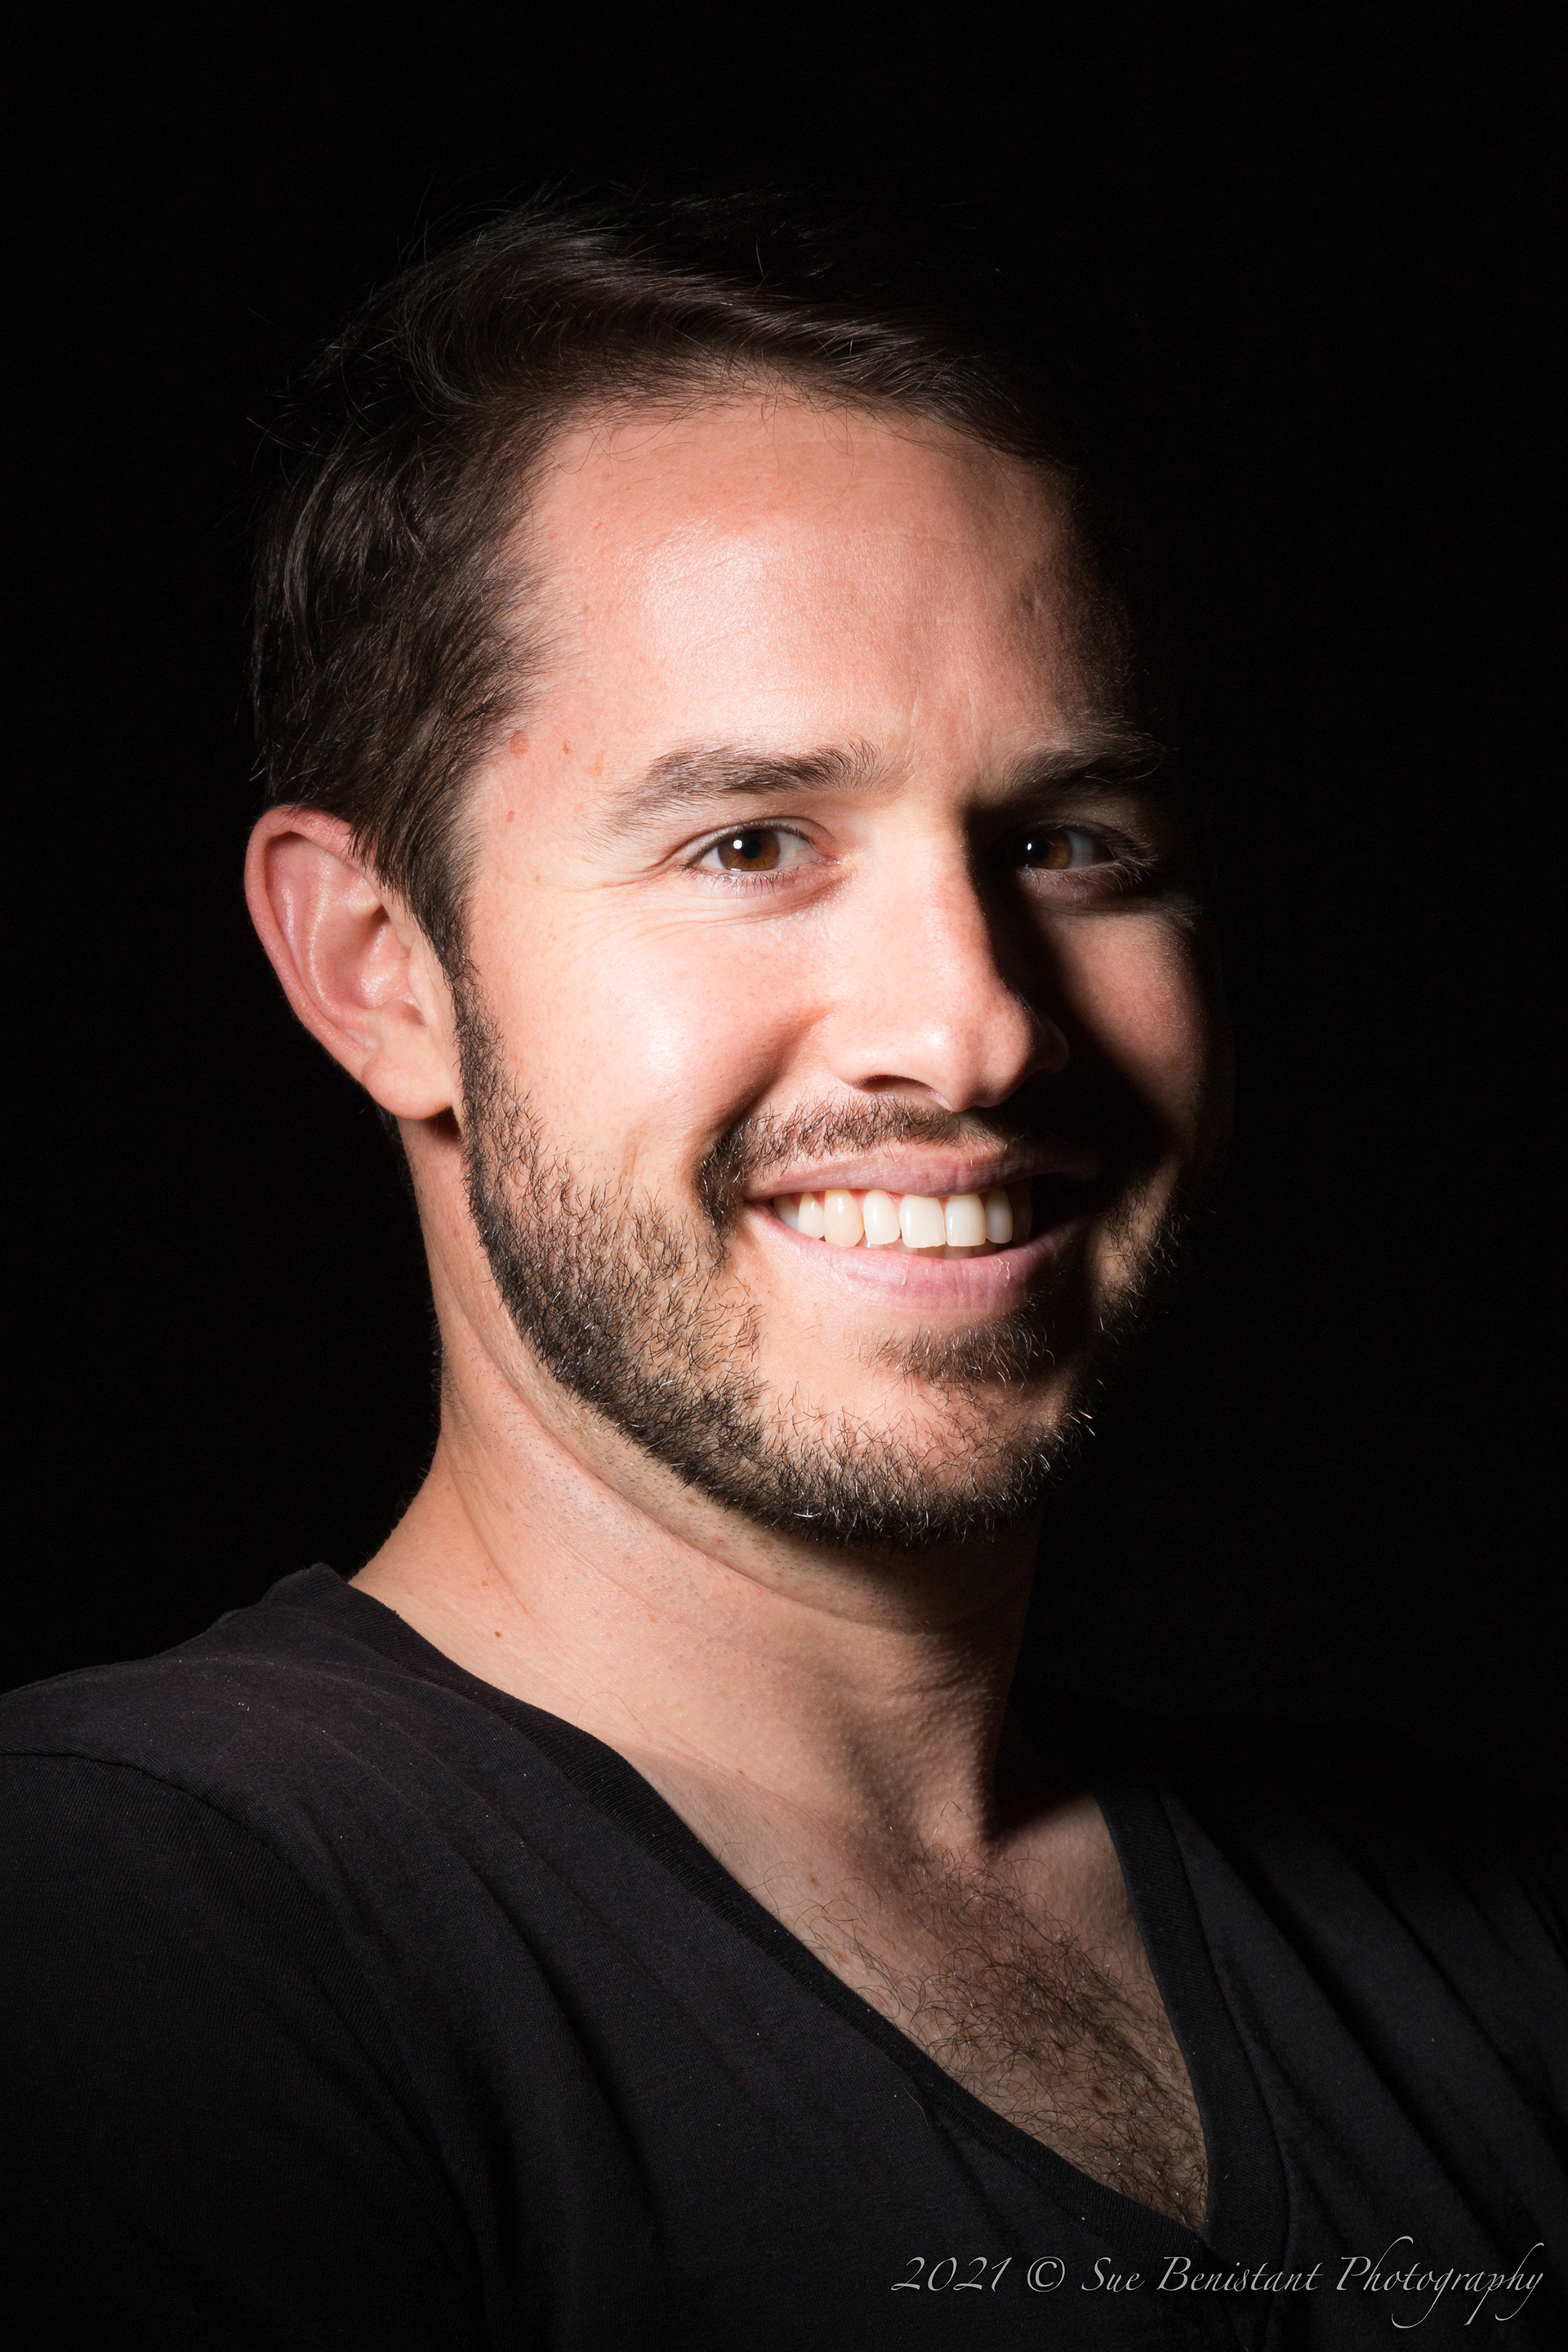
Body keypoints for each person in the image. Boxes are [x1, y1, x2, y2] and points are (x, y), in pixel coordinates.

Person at [1, 195, 1561, 2350]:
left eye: (1069, 840)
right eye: (751, 844)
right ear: (380, 969)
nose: (976, 1029)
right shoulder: (128, 1931)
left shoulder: (1483, 1936)